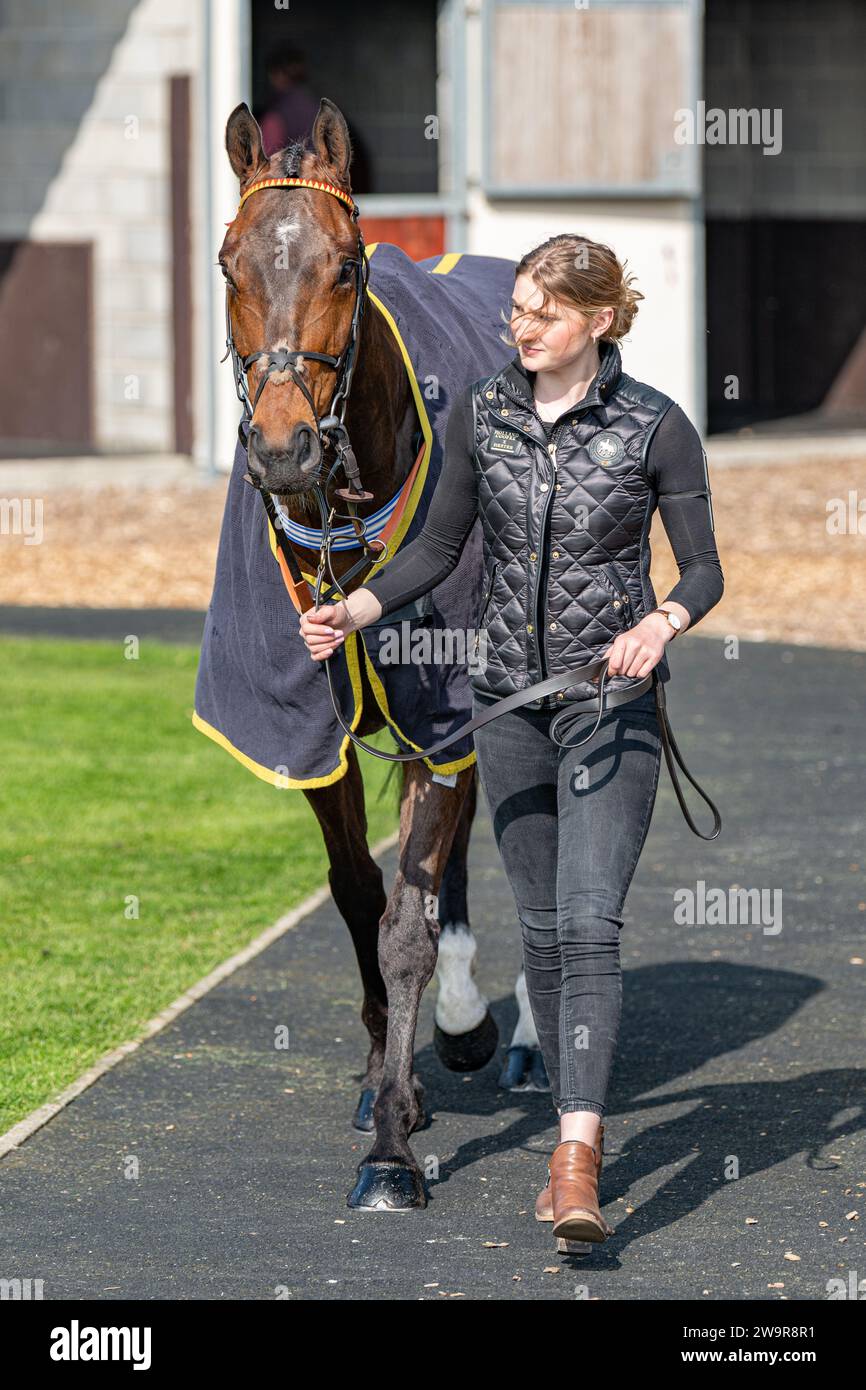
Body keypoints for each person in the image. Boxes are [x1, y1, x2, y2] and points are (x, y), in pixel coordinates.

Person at [299, 233, 724, 1245]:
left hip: (608, 703)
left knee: (587, 922)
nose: (520, 324)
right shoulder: (482, 416)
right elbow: (438, 546)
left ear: (598, 320)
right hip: (506, 707)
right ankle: (565, 1141)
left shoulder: (656, 427)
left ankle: (575, 1155)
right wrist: (354, 609)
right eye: (517, 309)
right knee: (537, 929)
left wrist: (659, 622)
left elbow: (701, 570)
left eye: (542, 311)